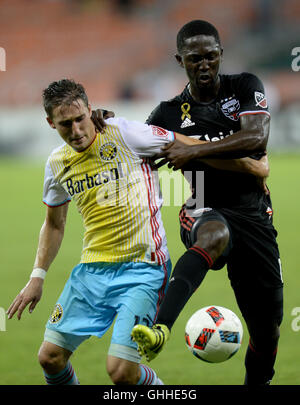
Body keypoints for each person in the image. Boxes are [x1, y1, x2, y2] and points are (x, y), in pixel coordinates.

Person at [6, 79, 267, 386]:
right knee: (49, 358)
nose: (76, 130)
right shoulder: (56, 163)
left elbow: (190, 146)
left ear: (90, 110)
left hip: (144, 268)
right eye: (65, 124)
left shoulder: (127, 134)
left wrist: (251, 166)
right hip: (91, 272)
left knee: (122, 373)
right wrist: (37, 276)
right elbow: (54, 223)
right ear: (50, 123)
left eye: (80, 119)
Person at [130, 20, 283, 386]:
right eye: (194, 58)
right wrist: (104, 124)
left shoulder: (245, 86)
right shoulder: (167, 114)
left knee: (268, 331)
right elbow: (134, 147)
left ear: (221, 55)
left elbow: (255, 138)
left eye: (211, 57)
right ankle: (160, 329)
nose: (204, 65)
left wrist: (191, 149)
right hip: (203, 205)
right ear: (179, 59)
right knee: (213, 235)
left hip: (254, 213)